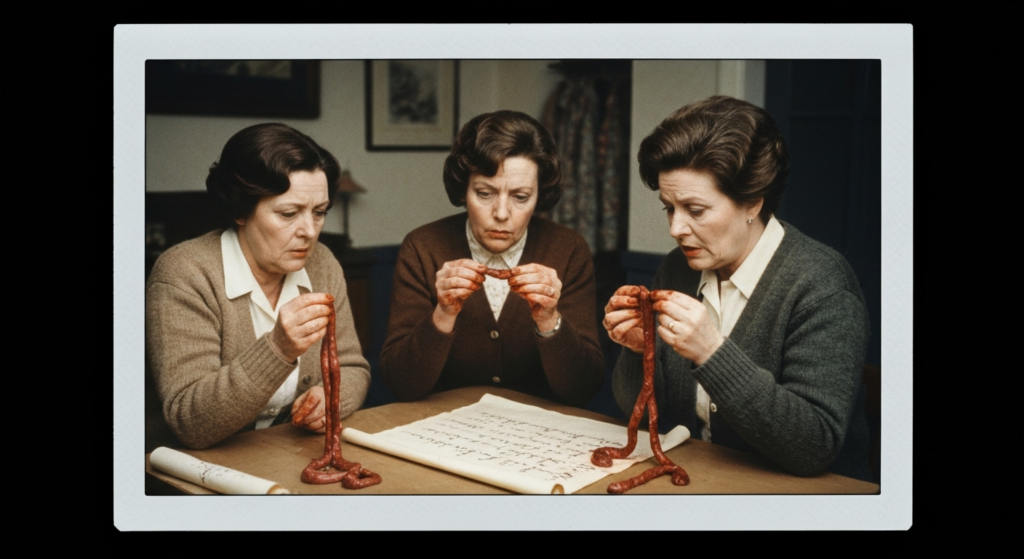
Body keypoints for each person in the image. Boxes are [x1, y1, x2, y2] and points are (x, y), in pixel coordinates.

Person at [604, 96, 873, 481]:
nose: (675, 228)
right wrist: (636, 350)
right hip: (702, 482)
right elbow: (652, 423)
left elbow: (814, 446)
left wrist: (712, 353)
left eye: (695, 210)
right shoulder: (677, 268)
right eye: (668, 207)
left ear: (752, 203)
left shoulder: (823, 286)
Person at [145, 123, 370, 450]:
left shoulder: (322, 263)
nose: (309, 230)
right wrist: (278, 348)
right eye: (289, 213)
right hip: (193, 468)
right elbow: (190, 422)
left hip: (284, 453)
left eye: (319, 212)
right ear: (240, 211)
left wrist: (331, 398)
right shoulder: (184, 273)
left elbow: (353, 369)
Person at [381, 110, 603, 407]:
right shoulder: (422, 247)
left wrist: (550, 321)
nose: (501, 213)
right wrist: (442, 315)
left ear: (541, 195)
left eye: (520, 197)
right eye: (485, 193)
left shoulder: (569, 249)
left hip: (540, 433)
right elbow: (400, 384)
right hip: (441, 428)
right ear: (464, 189)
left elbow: (584, 388)